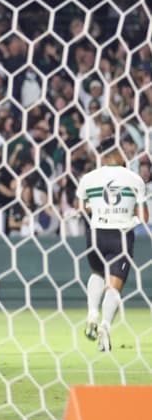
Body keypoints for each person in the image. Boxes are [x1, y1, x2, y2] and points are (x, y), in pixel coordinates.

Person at [77, 137, 148, 352]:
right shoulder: (134, 179)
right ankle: (105, 328)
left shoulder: (88, 178)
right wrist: (130, 217)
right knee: (114, 287)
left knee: (98, 273)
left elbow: (81, 208)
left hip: (96, 234)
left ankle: (92, 314)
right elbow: (144, 216)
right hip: (121, 235)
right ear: (117, 153)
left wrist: (99, 209)